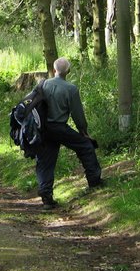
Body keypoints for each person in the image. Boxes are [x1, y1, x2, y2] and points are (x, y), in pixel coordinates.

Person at [35, 57, 103, 209]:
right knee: (85, 146)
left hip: (43, 129)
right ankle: (94, 182)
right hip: (59, 127)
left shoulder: (43, 84)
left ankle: (46, 196)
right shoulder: (71, 89)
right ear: (68, 71)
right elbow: (77, 114)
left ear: (54, 70)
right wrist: (83, 131)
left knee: (45, 161)